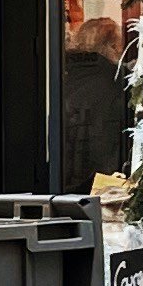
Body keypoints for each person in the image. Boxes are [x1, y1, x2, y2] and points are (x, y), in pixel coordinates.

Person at [58, 12, 128, 194]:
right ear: (113, 46)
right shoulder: (116, 83)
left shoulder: (61, 77)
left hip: (62, 181)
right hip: (102, 184)